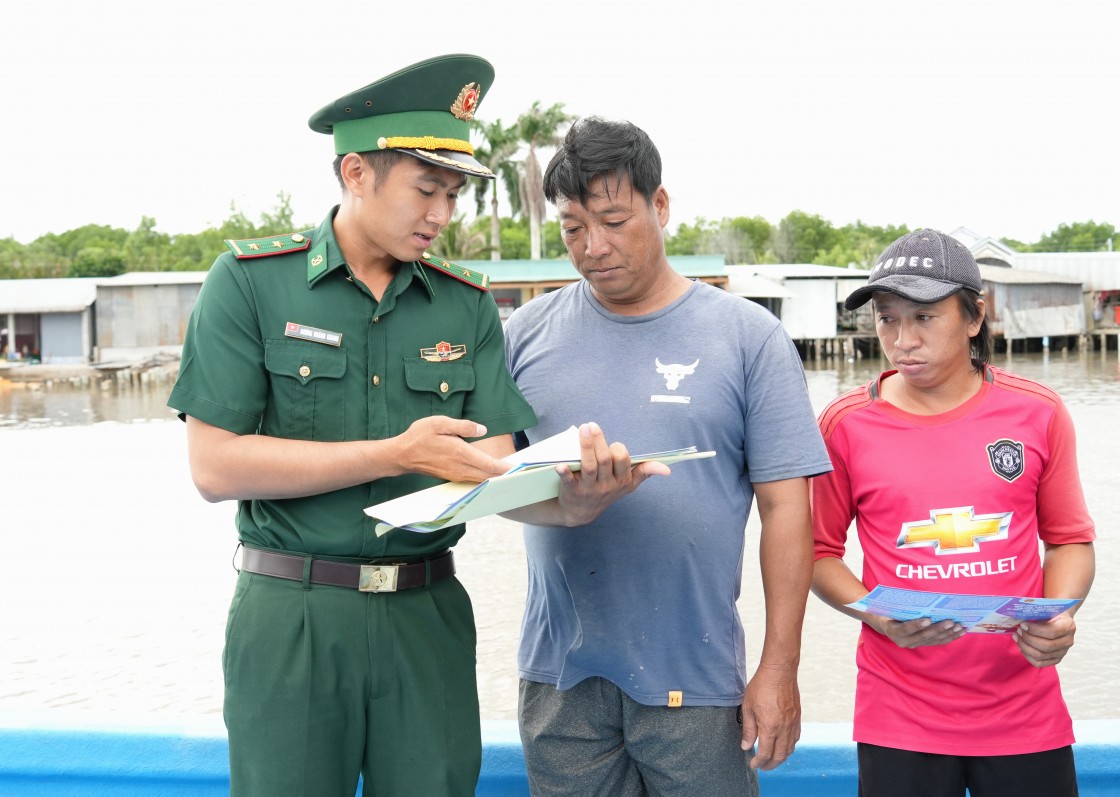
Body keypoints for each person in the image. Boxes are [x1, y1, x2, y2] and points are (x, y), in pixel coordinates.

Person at [167, 54, 541, 796]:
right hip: (293, 616)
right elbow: (214, 467)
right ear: (355, 174)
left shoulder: (465, 304)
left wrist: (583, 484)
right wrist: (393, 452)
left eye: (455, 193)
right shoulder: (248, 282)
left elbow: (494, 464)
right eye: (426, 189)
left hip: (425, 614)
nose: (442, 215)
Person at [500, 117, 832, 795]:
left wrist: (779, 666)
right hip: (560, 678)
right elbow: (484, 480)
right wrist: (565, 500)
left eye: (615, 220)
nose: (593, 247)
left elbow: (787, 511)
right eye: (572, 228)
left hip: (696, 676)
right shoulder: (525, 333)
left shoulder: (749, 339)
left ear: (661, 205)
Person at [809, 228, 1097, 797]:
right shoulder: (845, 425)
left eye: (923, 317)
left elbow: (1068, 540)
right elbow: (817, 555)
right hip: (899, 714)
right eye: (887, 318)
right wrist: (876, 616)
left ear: (974, 317)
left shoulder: (1036, 413)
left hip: (1024, 710)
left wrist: (1056, 619)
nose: (901, 339)